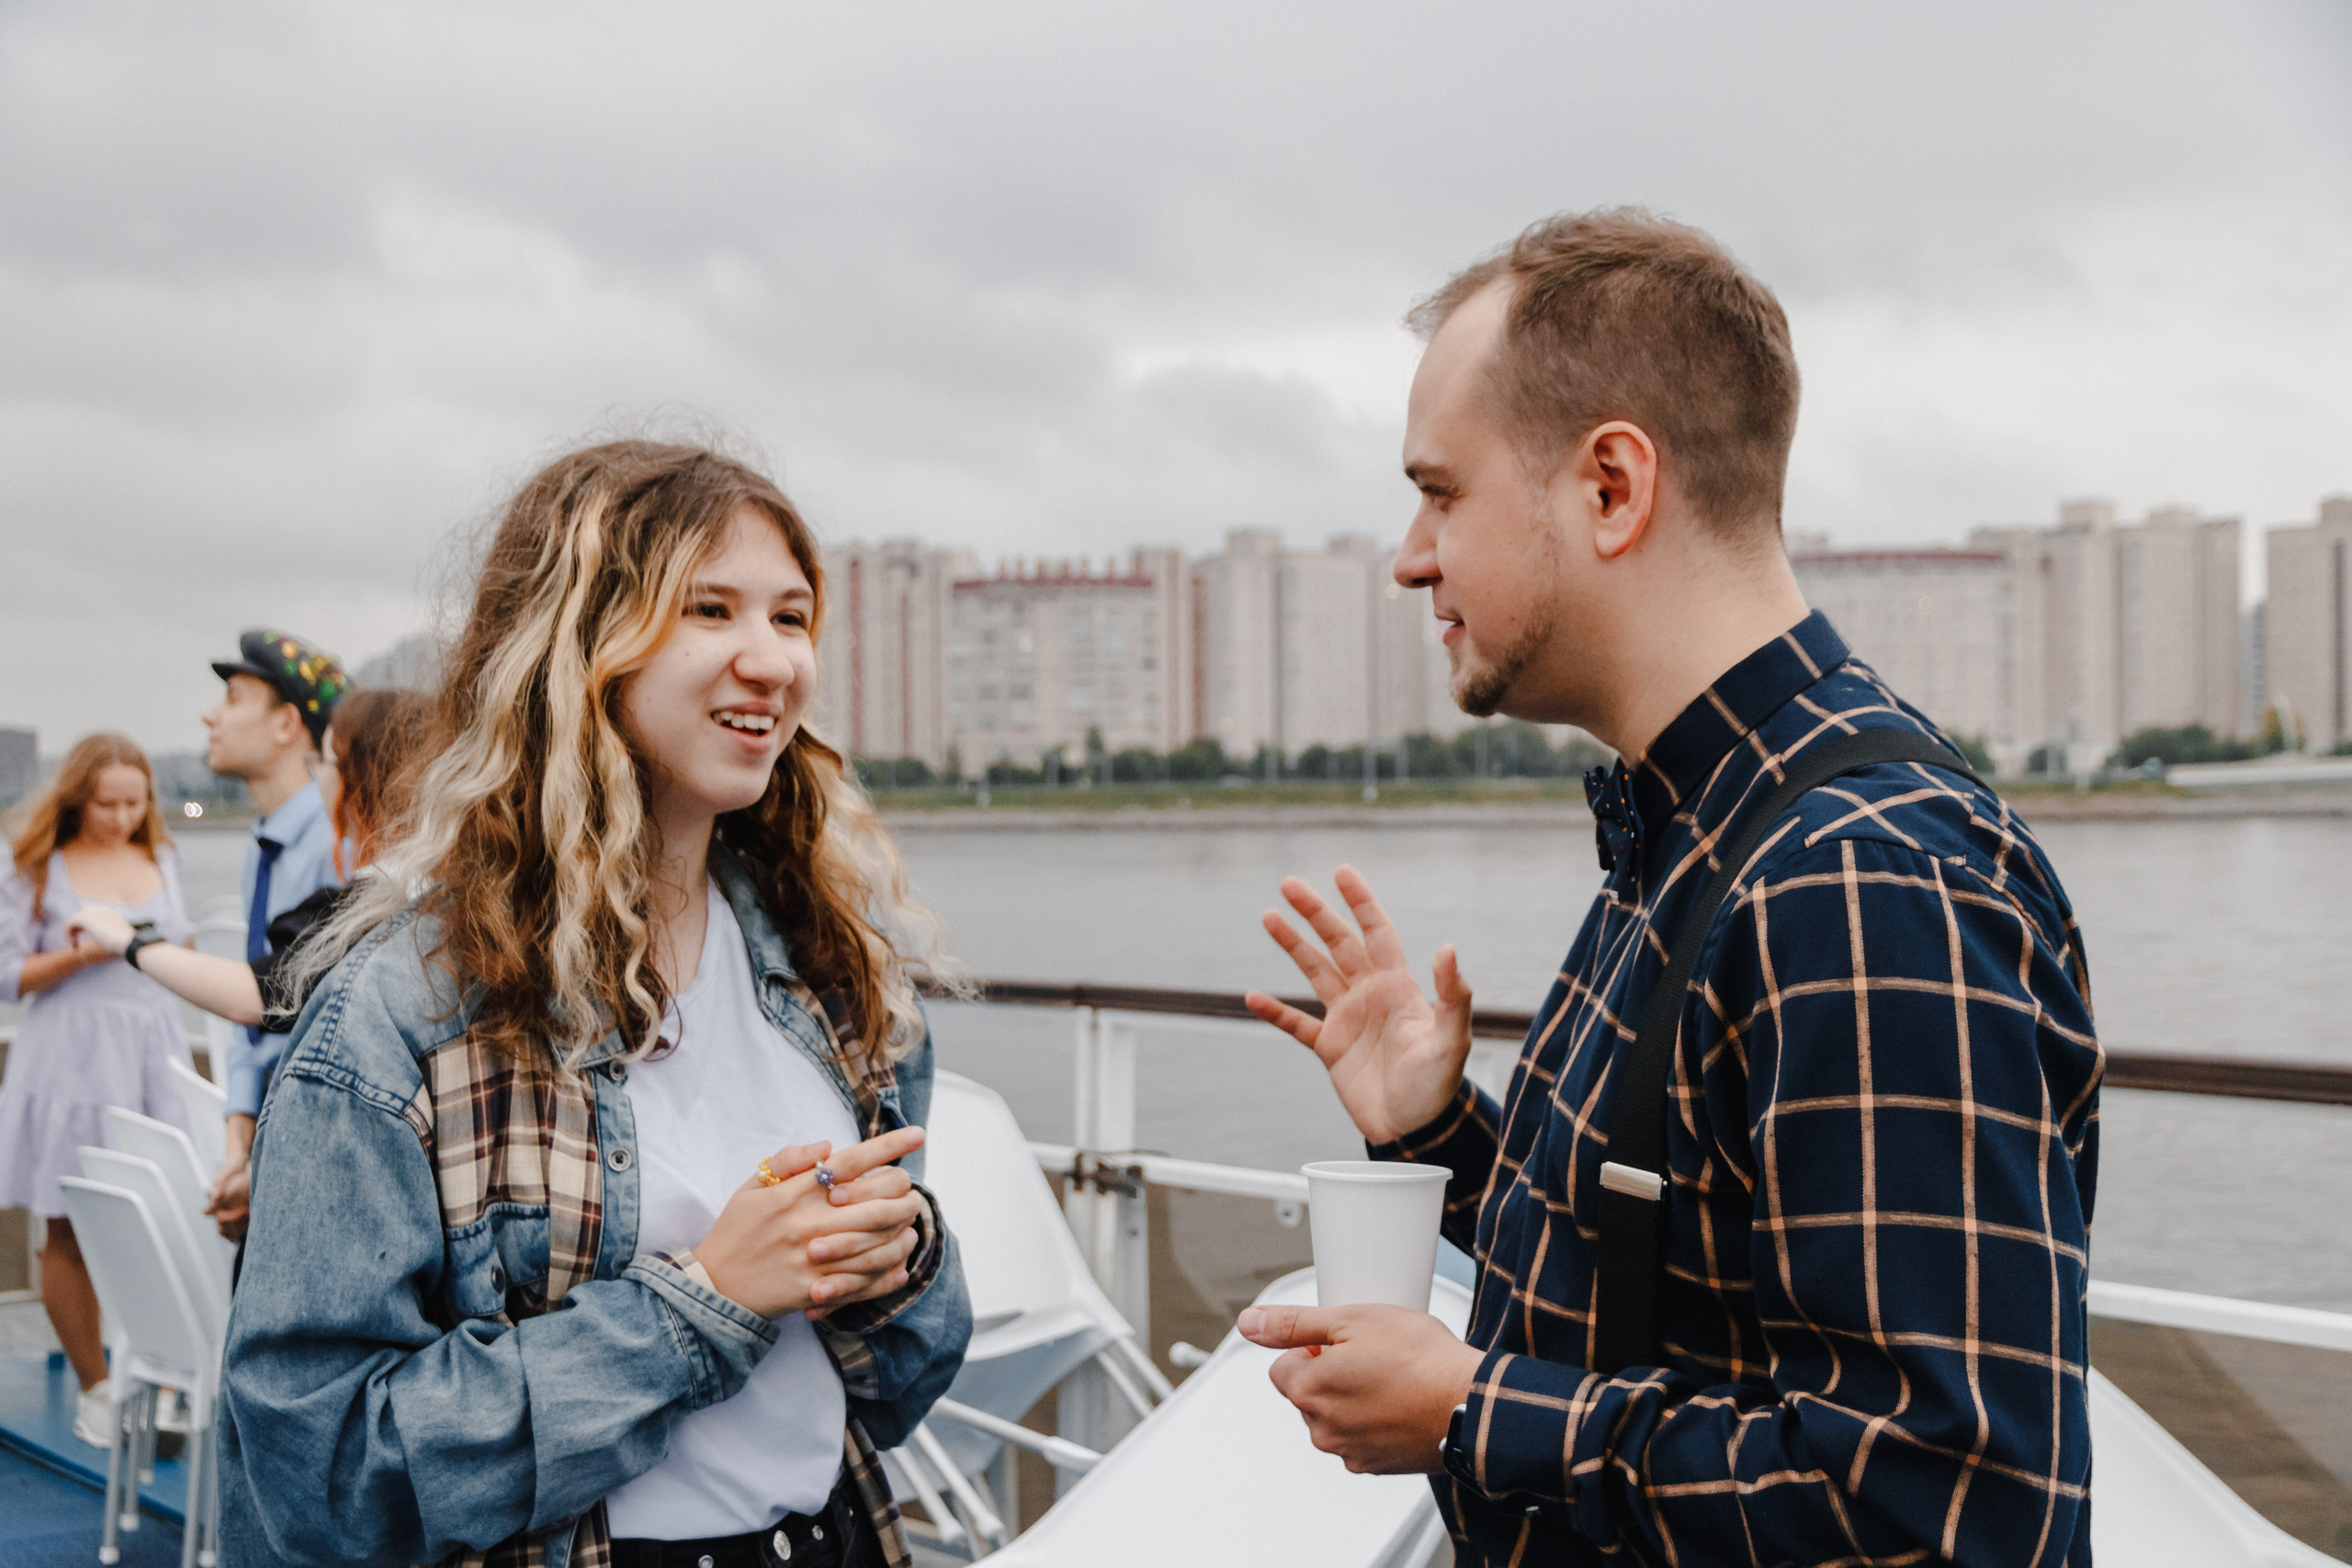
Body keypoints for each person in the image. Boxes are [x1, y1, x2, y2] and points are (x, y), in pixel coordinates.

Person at [1237, 210, 2100, 1567]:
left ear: (1611, 488)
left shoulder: (1861, 878)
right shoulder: (1701, 826)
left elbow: (1941, 1507)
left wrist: (1474, 1409)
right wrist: (1442, 1139)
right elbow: (1685, 1292)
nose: (1411, 554)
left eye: (1442, 491)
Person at [218, 441, 971, 1568]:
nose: (769, 661)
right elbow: (320, 1472)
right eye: (709, 609)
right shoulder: (402, 1016)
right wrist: (704, 1300)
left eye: (792, 617)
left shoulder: (837, 973)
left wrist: (903, 1260)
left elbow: (888, 1393)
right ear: (576, 644)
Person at [0, 733, 198, 1446]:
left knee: (167, 1219)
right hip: (71, 1059)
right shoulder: (35, 864)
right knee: (67, 1224)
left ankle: (171, 1380)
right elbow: (8, 975)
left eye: (133, 802)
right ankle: (97, 1387)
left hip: (151, 1048)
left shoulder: (164, 857)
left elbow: (184, 954)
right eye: (105, 802)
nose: (118, 816)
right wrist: (89, 950)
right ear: (78, 797)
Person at [72, 689, 435, 1043]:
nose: (318, 776)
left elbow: (261, 993)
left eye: (322, 762)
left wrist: (126, 940)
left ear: (358, 776)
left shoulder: (387, 898)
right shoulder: (435, 884)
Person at [200, 627, 348, 1235]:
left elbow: (314, 1017)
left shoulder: (341, 845)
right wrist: (239, 1140)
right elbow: (249, 1017)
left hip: (316, 1149)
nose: (210, 714)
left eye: (234, 697)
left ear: (288, 723)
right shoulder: (263, 845)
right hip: (267, 1138)